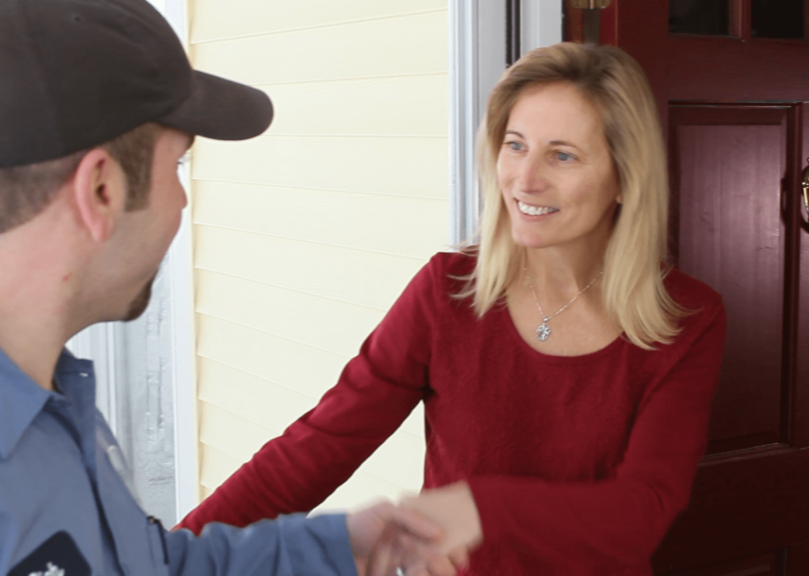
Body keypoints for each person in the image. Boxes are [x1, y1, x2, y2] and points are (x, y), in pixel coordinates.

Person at [177, 42, 728, 575]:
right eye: (515, 145)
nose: (524, 179)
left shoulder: (688, 319)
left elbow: (642, 512)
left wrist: (479, 508)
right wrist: (167, 555)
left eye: (562, 155)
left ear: (625, 178)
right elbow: (319, 446)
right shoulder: (447, 291)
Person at [0, 1, 468, 575]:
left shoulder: (57, 398)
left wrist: (339, 550)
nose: (183, 203)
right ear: (102, 191)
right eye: (179, 169)